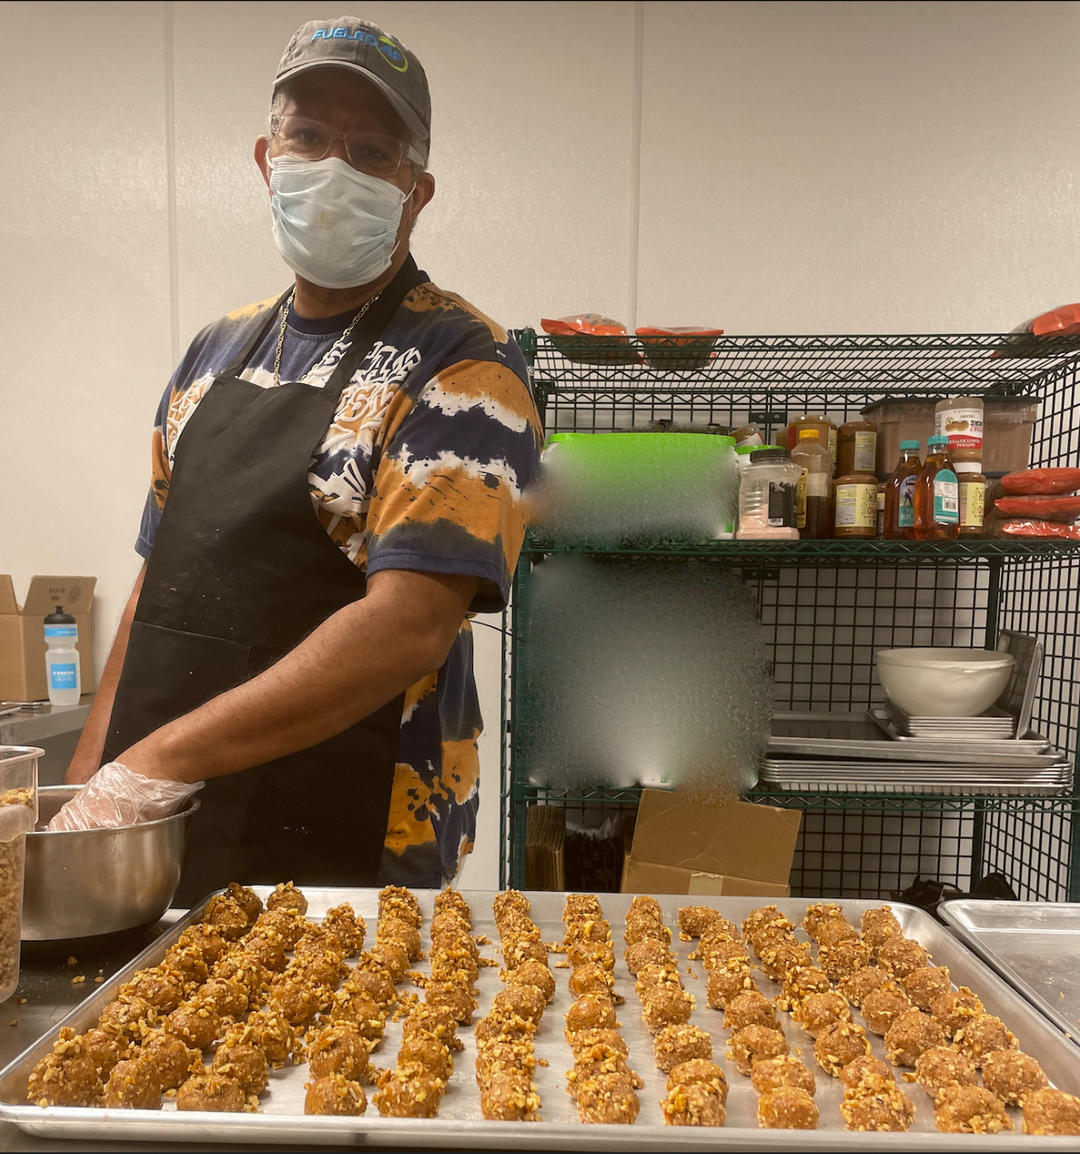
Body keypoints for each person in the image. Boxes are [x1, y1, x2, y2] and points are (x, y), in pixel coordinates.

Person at [52, 17, 542, 902]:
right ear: (265, 157)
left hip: (352, 830)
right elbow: (155, 581)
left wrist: (160, 757)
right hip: (167, 818)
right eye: (309, 136)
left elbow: (408, 625)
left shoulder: (464, 367)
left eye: (371, 150)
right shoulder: (217, 350)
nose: (334, 167)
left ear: (415, 190)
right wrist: (96, 779)